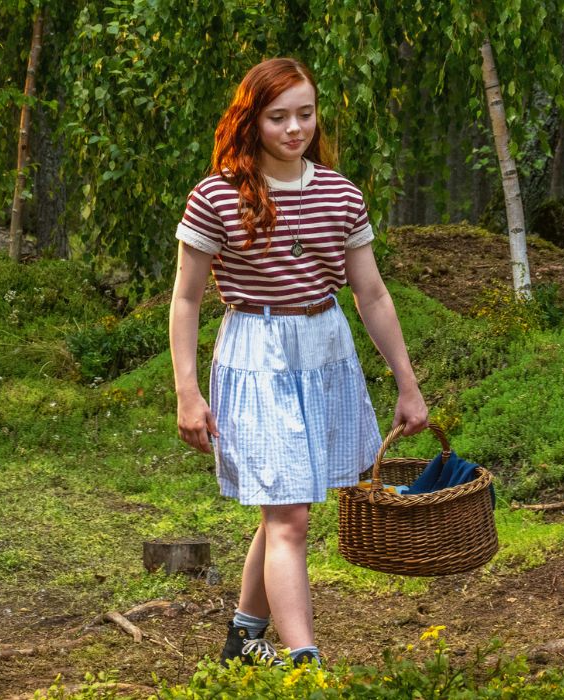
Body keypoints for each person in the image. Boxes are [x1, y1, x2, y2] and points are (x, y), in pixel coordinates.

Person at [167, 58, 429, 667]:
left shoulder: (340, 193)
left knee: (288, 504)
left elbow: (372, 294)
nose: (294, 128)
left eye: (305, 114)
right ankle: (305, 662)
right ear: (251, 118)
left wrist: (408, 385)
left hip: (326, 350)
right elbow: (184, 299)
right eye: (278, 116)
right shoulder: (218, 195)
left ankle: (243, 634)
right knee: (289, 516)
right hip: (255, 354)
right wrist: (186, 392)